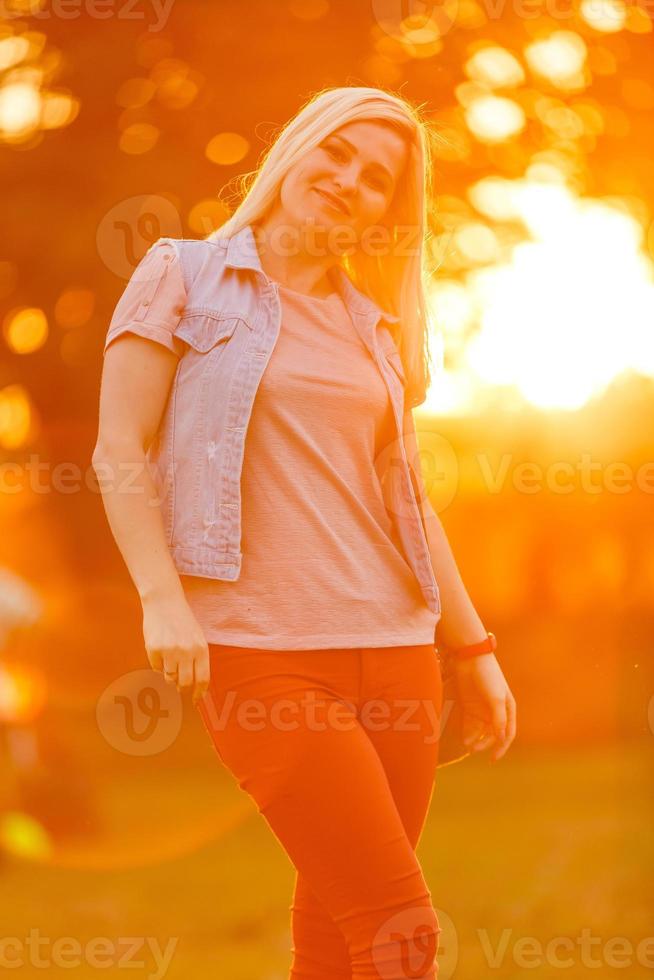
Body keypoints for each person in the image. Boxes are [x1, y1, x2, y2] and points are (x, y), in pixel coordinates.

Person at [93, 85, 516, 979]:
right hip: (262, 652)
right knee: (405, 932)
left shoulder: (377, 329)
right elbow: (118, 449)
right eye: (337, 154)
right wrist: (161, 600)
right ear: (297, 149)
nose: (346, 181)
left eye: (374, 180)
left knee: (340, 939)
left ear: (381, 216)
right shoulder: (183, 273)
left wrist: (472, 648)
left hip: (398, 649)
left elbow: (405, 495)